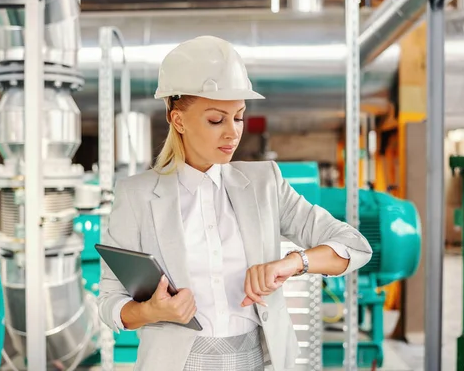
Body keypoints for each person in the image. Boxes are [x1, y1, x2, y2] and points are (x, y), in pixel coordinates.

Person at [97, 35, 373, 371]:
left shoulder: (265, 183)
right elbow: (110, 302)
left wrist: (289, 264)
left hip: (257, 361)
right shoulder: (136, 195)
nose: (232, 133)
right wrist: (150, 312)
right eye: (216, 119)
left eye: (239, 117)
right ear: (177, 119)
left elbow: (355, 246)